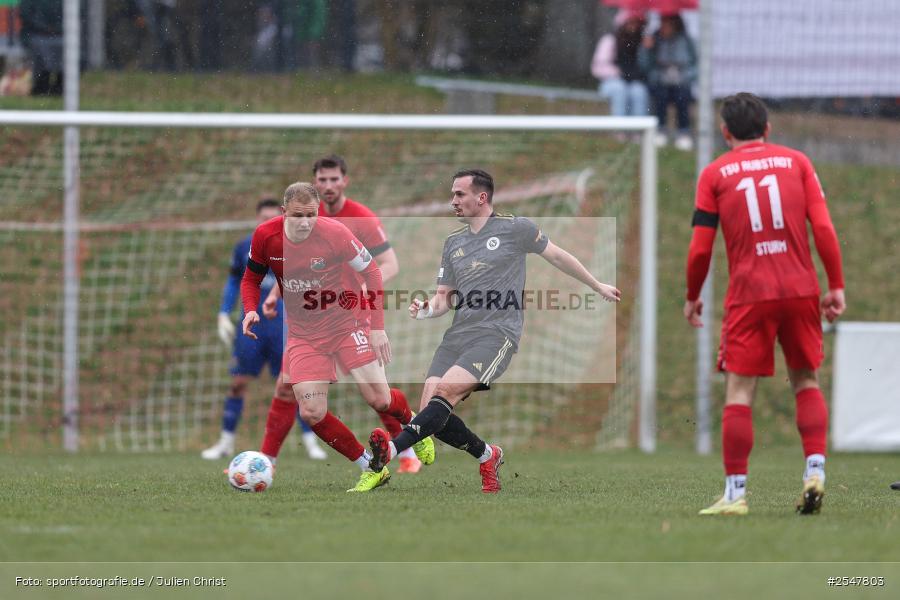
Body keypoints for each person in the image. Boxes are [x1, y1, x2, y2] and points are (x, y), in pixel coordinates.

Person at [367, 169, 621, 493]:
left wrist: (596, 284)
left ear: (481, 197)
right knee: (434, 409)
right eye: (453, 194)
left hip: (497, 334)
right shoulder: (454, 243)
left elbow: (557, 255)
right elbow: (444, 297)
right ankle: (488, 455)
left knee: (444, 394)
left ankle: (390, 450)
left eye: (460, 194)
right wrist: (427, 309)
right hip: (458, 334)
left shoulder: (516, 228)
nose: (453, 201)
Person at [684, 93, 846, 516]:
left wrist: (692, 295)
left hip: (750, 295)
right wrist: (837, 286)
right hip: (800, 288)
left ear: (725, 133)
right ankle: (815, 470)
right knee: (806, 380)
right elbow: (824, 229)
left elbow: (701, 250)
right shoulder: (798, 162)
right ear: (767, 129)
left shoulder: (715, 173)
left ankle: (735, 496)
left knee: (739, 390)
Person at [241, 182, 433, 492]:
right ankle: (370, 466)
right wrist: (250, 310)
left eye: (311, 215)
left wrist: (376, 327)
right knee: (312, 412)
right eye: (298, 215)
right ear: (283, 212)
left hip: (348, 323)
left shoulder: (336, 234)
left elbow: (371, 272)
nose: (305, 222)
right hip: (305, 335)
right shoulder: (266, 236)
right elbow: (251, 278)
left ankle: (414, 422)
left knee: (379, 399)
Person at [202, 199, 326, 461]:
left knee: (293, 387)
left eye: (273, 217)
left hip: (286, 327)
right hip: (253, 327)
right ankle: (225, 442)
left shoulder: (298, 245)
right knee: (237, 383)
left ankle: (311, 443)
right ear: (258, 219)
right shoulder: (245, 246)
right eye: (264, 218)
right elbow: (237, 280)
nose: (269, 222)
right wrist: (224, 311)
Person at [639, 12, 697, 151]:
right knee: (661, 94)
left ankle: (683, 132)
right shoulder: (654, 40)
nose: (665, 27)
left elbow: (696, 64)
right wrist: (646, 49)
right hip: (660, 81)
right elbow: (644, 65)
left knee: (682, 95)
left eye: (668, 24)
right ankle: (660, 130)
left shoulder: (686, 41)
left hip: (681, 81)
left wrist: (686, 76)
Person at [591, 11, 649, 119]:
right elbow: (597, 68)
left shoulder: (642, 43)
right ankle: (619, 129)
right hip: (612, 82)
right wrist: (618, 72)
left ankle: (638, 130)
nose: (634, 27)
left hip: (634, 81)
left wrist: (647, 50)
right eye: (630, 23)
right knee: (620, 89)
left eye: (636, 23)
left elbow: (645, 66)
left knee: (639, 92)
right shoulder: (610, 41)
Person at [19, 0, 63, 96]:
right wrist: (44, 27)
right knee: (41, 47)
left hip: (60, 35)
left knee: (64, 47)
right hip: (36, 33)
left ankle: (60, 85)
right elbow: (26, 14)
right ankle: (41, 85)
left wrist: (58, 28)